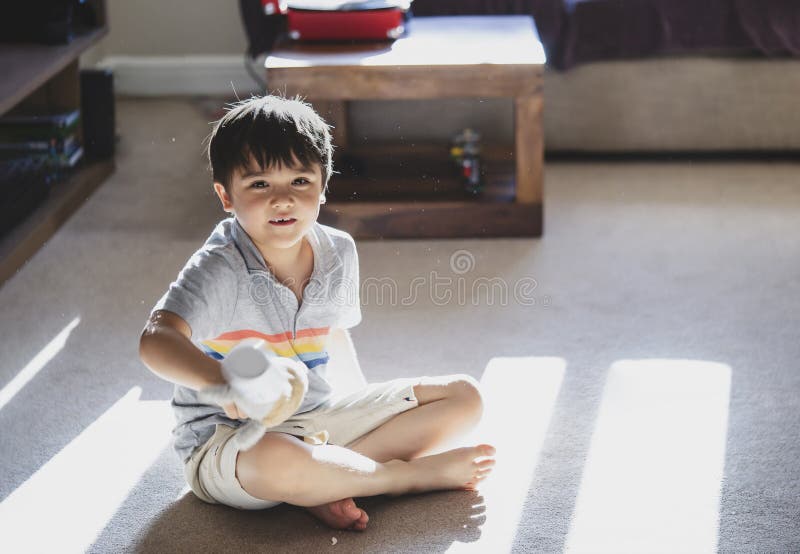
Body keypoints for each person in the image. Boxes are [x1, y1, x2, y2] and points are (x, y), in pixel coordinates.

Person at [138, 95, 496, 531]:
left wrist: (363, 411)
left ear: (324, 185)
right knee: (277, 461)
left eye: (300, 181)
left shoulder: (338, 251)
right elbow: (156, 339)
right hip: (232, 442)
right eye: (259, 185)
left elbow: (334, 339)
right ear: (225, 196)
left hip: (317, 420)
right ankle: (396, 478)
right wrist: (221, 383)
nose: (283, 200)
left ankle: (328, 479)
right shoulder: (220, 265)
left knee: (464, 397)